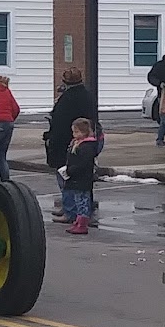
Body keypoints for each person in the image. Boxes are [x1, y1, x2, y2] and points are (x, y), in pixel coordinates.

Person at [42, 67, 99, 221]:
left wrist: (50, 139)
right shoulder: (88, 96)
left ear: (65, 81)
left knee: (66, 176)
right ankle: (83, 208)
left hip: (67, 142)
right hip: (88, 138)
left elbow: (59, 124)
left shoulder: (66, 100)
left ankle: (70, 210)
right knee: (85, 175)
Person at [61, 117, 102, 235]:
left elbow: (83, 164)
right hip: (77, 178)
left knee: (83, 201)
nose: (74, 134)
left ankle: (83, 223)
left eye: (76, 132)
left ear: (84, 132)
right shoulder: (78, 144)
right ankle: (79, 221)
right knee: (78, 201)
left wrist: (71, 170)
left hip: (82, 179)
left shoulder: (87, 147)